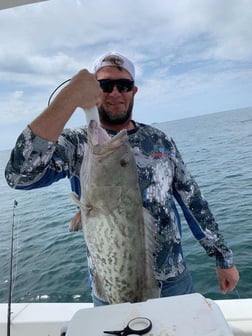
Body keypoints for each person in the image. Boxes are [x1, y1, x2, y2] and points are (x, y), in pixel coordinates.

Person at [5, 52, 239, 306]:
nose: (115, 93)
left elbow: (193, 202)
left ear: (133, 91)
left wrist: (222, 257)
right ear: (95, 90)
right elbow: (19, 175)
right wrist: (69, 97)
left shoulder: (160, 140)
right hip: (111, 282)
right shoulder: (77, 143)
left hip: (174, 281)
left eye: (124, 85)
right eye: (105, 85)